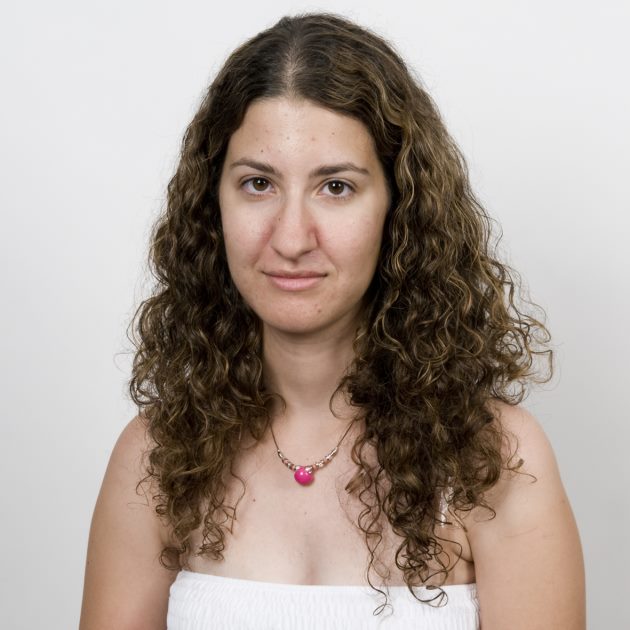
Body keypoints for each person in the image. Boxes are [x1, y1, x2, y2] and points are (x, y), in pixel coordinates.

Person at [79, 12, 585, 630]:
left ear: (399, 208)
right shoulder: (156, 456)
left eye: (336, 187)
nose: (291, 238)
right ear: (213, 206)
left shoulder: (494, 458)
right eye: (258, 183)